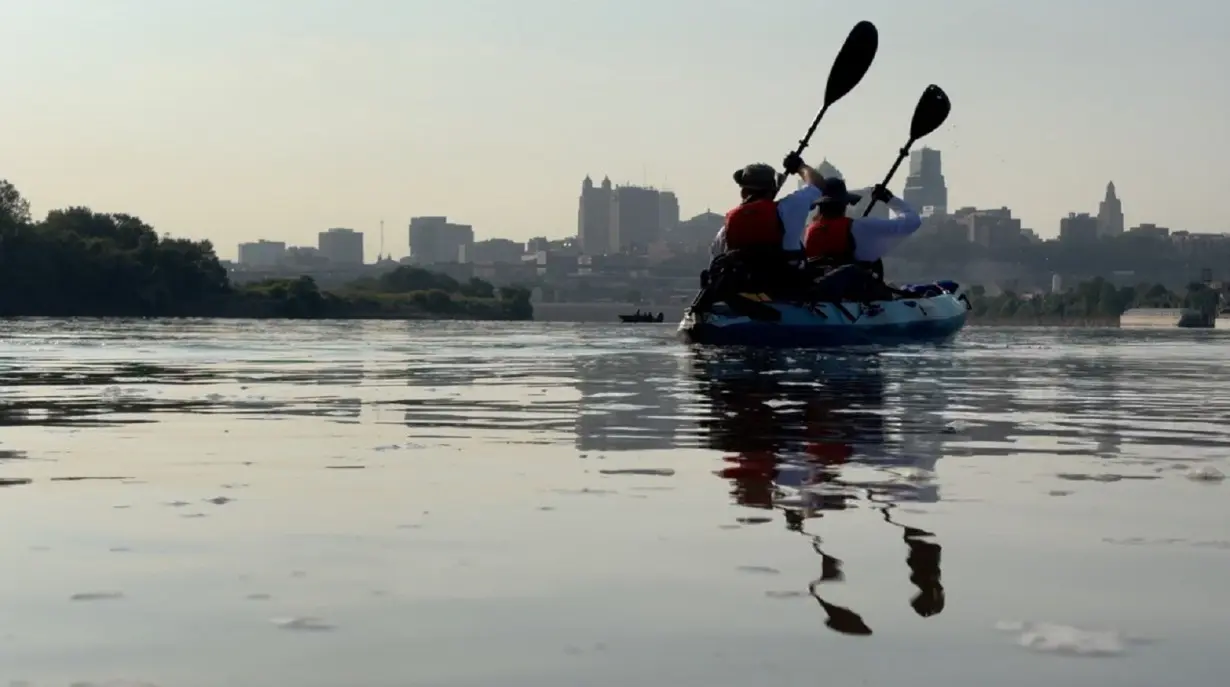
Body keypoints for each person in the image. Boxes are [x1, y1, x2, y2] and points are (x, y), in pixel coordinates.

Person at [709, 152, 823, 257]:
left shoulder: (726, 230)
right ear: (772, 191)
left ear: (743, 193)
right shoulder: (787, 210)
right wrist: (800, 166)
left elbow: (716, 265)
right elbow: (818, 184)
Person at [801, 177, 921, 270]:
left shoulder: (809, 230)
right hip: (854, 292)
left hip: (821, 292)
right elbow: (913, 222)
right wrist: (889, 199)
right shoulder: (861, 227)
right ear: (845, 204)